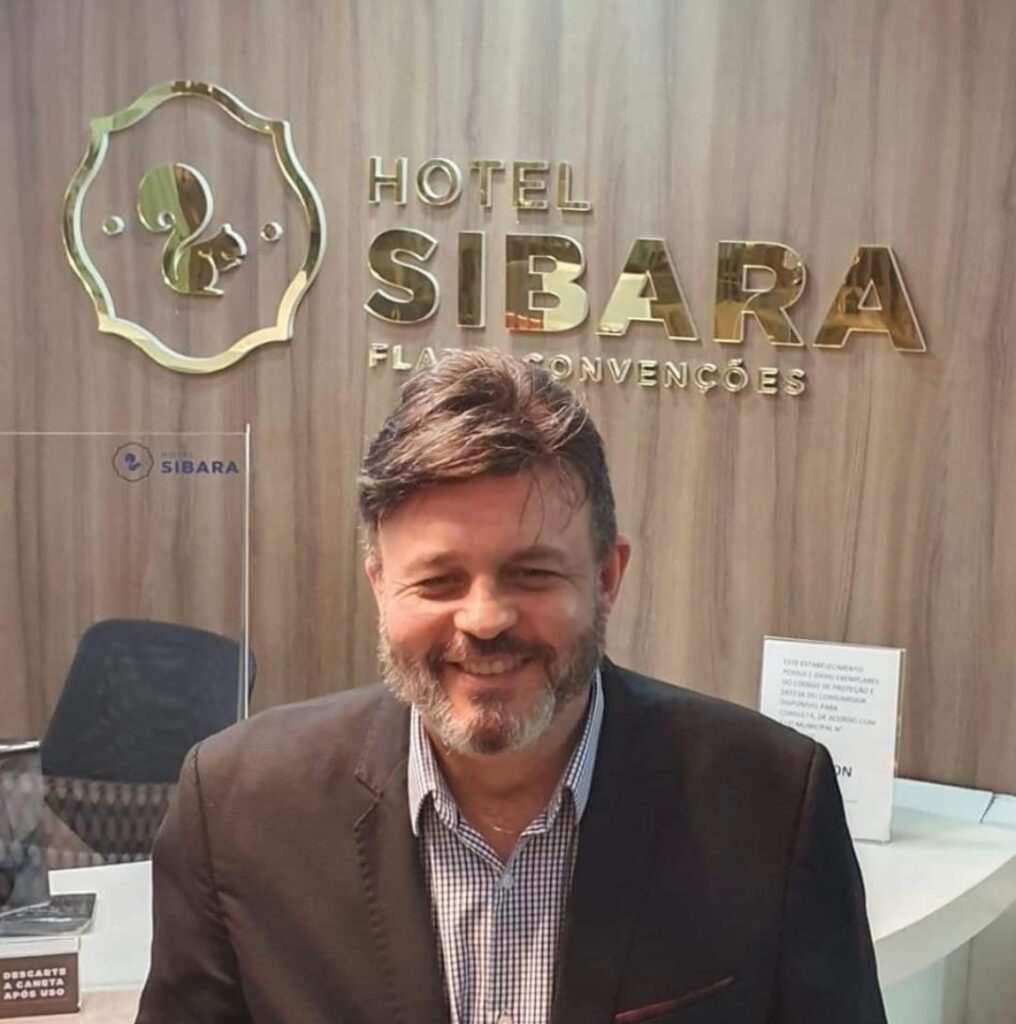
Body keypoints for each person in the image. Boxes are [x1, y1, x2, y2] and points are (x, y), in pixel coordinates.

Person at [136, 349, 887, 1024]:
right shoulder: (237, 807)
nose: (485, 619)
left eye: (531, 573)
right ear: (380, 586)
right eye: (439, 581)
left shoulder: (771, 800)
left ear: (606, 577)